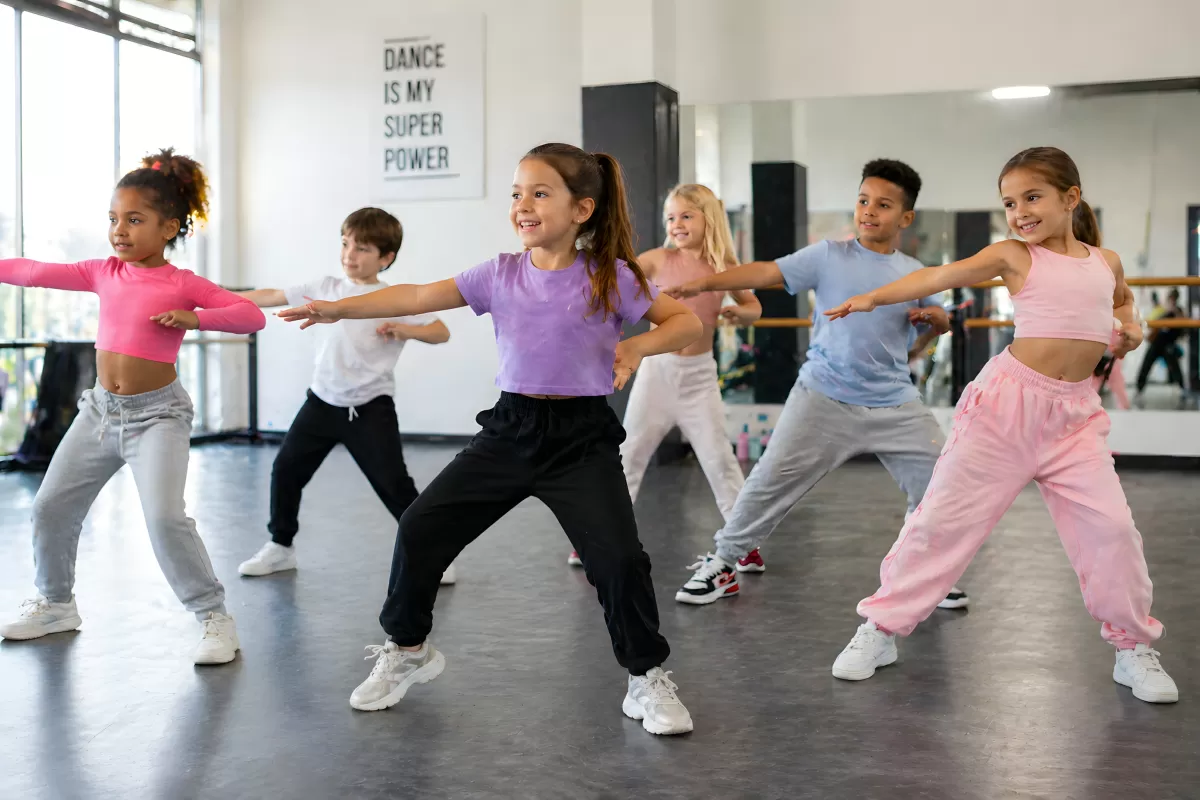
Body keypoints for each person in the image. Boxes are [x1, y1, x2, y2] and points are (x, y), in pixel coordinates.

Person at [278, 143, 704, 734]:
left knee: (619, 560)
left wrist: (633, 345)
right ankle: (407, 650)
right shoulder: (499, 274)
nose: (522, 204)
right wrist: (339, 309)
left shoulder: (612, 276)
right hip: (510, 430)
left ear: (582, 209)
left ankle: (645, 677)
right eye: (515, 193)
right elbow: (421, 295)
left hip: (581, 440)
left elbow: (686, 321)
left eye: (539, 192)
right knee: (421, 526)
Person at [827, 147, 1177, 705]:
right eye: (1010, 203)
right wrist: (872, 297)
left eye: (1031, 198)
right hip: (1005, 409)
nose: (1019, 212)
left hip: (1074, 419)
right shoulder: (1014, 255)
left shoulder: (1104, 261)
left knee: (1112, 531)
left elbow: (1124, 303)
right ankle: (882, 628)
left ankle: (1132, 647)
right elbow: (939, 275)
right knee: (941, 520)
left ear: (1071, 198)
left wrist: (1130, 330)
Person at [0, 149, 265, 664]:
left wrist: (196, 319)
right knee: (51, 507)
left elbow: (250, 315)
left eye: (135, 220)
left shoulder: (183, 283)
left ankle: (214, 618)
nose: (119, 230)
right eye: (114, 219)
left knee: (166, 518)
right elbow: (32, 271)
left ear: (168, 227)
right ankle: (56, 603)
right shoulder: (103, 272)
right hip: (100, 412)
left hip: (158, 417)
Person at [667, 160, 966, 611]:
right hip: (823, 396)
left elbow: (940, 320)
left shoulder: (914, 270)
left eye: (883, 205)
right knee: (767, 482)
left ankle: (926, 575)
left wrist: (934, 320)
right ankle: (724, 562)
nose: (868, 211)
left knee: (942, 486)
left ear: (905, 218)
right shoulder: (829, 255)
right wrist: (704, 283)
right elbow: (766, 273)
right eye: (863, 200)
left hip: (894, 403)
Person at [234, 208, 458, 584]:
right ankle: (280, 546)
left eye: (363, 248)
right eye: (345, 244)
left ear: (386, 258)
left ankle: (433, 555)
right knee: (286, 470)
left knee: (395, 487)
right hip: (321, 402)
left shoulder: (393, 298)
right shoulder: (325, 286)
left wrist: (405, 329)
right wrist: (220, 297)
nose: (349, 255)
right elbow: (273, 294)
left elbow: (441, 331)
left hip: (370, 407)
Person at [566, 184, 761, 570]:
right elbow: (615, 285)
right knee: (629, 454)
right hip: (657, 373)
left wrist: (742, 314)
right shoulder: (655, 260)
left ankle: (744, 543)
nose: (677, 224)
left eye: (687, 215)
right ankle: (596, 537)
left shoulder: (724, 267)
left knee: (719, 460)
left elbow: (753, 305)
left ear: (710, 219)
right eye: (671, 217)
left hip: (699, 378)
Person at [1135, 288, 1186, 406]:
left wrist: (1174, 311)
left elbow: (1182, 329)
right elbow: (1154, 323)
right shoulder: (1163, 309)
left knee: (1175, 366)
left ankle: (1182, 388)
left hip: (1168, 344)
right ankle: (1139, 389)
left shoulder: (1178, 311)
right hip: (1157, 343)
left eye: (1173, 297)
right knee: (1146, 364)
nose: (1172, 299)